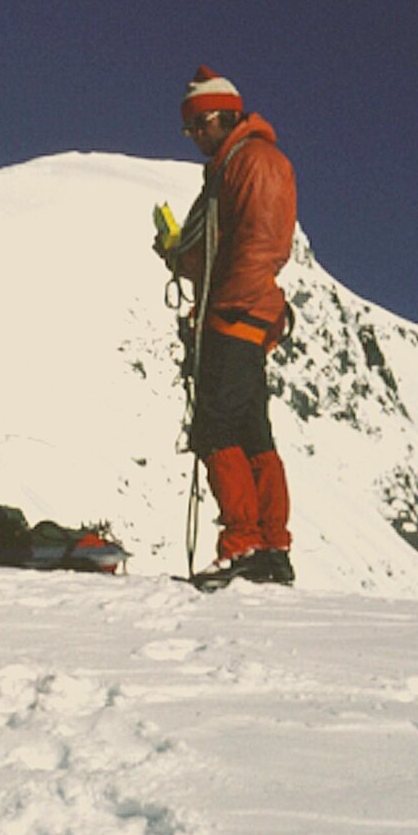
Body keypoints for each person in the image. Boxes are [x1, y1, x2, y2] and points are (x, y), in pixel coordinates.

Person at [160, 66, 298, 590]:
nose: (194, 137)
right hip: (247, 316)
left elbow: (260, 246)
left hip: (236, 316)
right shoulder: (236, 164)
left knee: (216, 427)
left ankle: (243, 543)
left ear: (218, 117)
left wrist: (220, 314)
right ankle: (271, 547)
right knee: (250, 431)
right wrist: (180, 258)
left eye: (197, 127)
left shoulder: (254, 162)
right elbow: (225, 250)